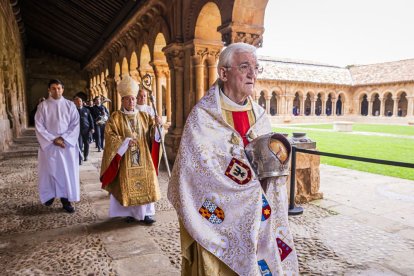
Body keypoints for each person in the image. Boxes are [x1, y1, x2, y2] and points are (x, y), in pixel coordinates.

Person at [168, 43, 298, 275]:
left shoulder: (259, 115)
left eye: (256, 68)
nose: (252, 74)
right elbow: (191, 174)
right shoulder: (203, 117)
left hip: (258, 213)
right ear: (224, 73)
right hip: (216, 216)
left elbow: (271, 164)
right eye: (245, 66)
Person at [100, 75, 162, 224]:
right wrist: (125, 141)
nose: (131, 101)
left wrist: (158, 126)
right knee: (126, 185)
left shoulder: (144, 116)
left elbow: (153, 135)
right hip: (126, 158)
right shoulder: (115, 117)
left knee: (147, 183)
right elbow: (110, 136)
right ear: (122, 101)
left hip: (143, 158)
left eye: (133, 99)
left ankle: (146, 214)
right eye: (128, 99)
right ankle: (130, 213)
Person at [34, 79, 80, 213]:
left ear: (63, 89)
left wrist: (63, 138)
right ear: (49, 90)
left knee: (66, 173)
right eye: (53, 88)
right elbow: (39, 126)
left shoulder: (70, 105)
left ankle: (66, 200)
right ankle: (50, 195)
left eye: (59, 88)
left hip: (66, 146)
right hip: (49, 147)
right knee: (50, 172)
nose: (57, 91)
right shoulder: (43, 106)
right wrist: (53, 139)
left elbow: (75, 124)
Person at [136, 88, 162, 173]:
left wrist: (158, 123)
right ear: (136, 97)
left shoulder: (150, 109)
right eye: (140, 96)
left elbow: (155, 125)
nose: (142, 98)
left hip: (147, 140)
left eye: (144, 96)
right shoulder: (134, 109)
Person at [74, 96, 94, 164]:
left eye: (80, 101)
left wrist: (92, 128)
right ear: (75, 103)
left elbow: (90, 119)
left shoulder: (86, 110)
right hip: (77, 131)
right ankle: (79, 159)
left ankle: (86, 156)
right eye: (77, 102)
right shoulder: (73, 111)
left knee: (86, 144)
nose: (79, 103)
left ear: (82, 102)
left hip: (86, 130)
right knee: (79, 145)